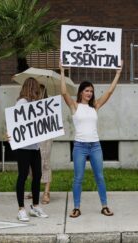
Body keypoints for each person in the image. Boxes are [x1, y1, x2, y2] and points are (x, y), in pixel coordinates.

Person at [60, 61, 123, 218]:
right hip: (80, 147)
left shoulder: (95, 106)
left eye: (91, 91)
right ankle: (76, 207)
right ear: (81, 92)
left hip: (95, 146)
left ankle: (104, 206)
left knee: (99, 176)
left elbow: (108, 93)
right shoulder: (74, 106)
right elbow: (63, 93)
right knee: (78, 178)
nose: (89, 93)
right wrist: (62, 71)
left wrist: (118, 74)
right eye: (87, 90)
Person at [9, 78, 48, 222]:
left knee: (37, 175)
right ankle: (21, 209)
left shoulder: (36, 104)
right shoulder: (22, 103)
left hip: (35, 146)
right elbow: (15, 122)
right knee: (23, 175)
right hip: (24, 148)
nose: (35, 91)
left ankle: (35, 206)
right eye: (33, 88)